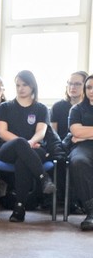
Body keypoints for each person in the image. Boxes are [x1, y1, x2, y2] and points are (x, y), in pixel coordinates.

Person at [0, 70, 56, 222]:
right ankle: (43, 177)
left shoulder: (41, 108)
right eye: (18, 85)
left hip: (34, 149)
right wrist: (25, 143)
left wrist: (29, 143)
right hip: (8, 149)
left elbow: (41, 132)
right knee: (19, 144)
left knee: (22, 161)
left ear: (32, 86)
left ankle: (19, 208)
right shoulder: (5, 107)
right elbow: (2, 132)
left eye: (25, 85)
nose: (21, 88)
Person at [68, 74, 93, 230]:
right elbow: (75, 131)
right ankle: (91, 212)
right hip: (83, 148)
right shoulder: (77, 109)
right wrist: (80, 135)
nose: (92, 91)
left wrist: (84, 134)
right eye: (89, 87)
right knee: (78, 161)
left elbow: (80, 133)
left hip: (84, 141)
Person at [51, 71, 87, 141]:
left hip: (83, 145)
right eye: (70, 83)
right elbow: (53, 135)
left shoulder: (89, 107)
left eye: (77, 84)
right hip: (61, 145)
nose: (72, 87)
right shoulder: (57, 106)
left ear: (86, 86)